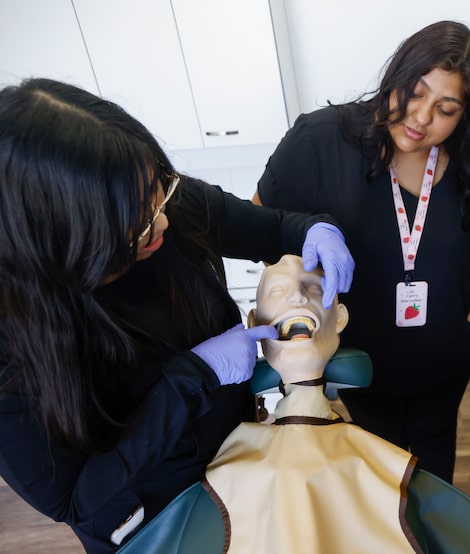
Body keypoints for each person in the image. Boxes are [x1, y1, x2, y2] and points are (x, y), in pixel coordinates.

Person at [0, 78, 354, 553]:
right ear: (64, 239)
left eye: (158, 192)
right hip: (153, 518)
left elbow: (273, 229)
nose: (161, 219)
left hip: (242, 462)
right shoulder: (12, 344)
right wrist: (193, 376)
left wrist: (317, 228)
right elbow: (73, 496)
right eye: (139, 220)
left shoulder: (158, 200)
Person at [253, 20, 470, 483]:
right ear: (395, 75)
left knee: (434, 472)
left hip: (444, 357)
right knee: (377, 469)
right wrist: (295, 297)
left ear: (465, 113)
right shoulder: (320, 141)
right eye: (415, 91)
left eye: (445, 108)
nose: (421, 117)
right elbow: (259, 224)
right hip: (359, 355)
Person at [205, 254, 421, 553]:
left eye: (315, 290)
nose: (296, 296)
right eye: (278, 291)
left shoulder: (374, 463)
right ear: (254, 323)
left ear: (340, 318)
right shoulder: (231, 466)